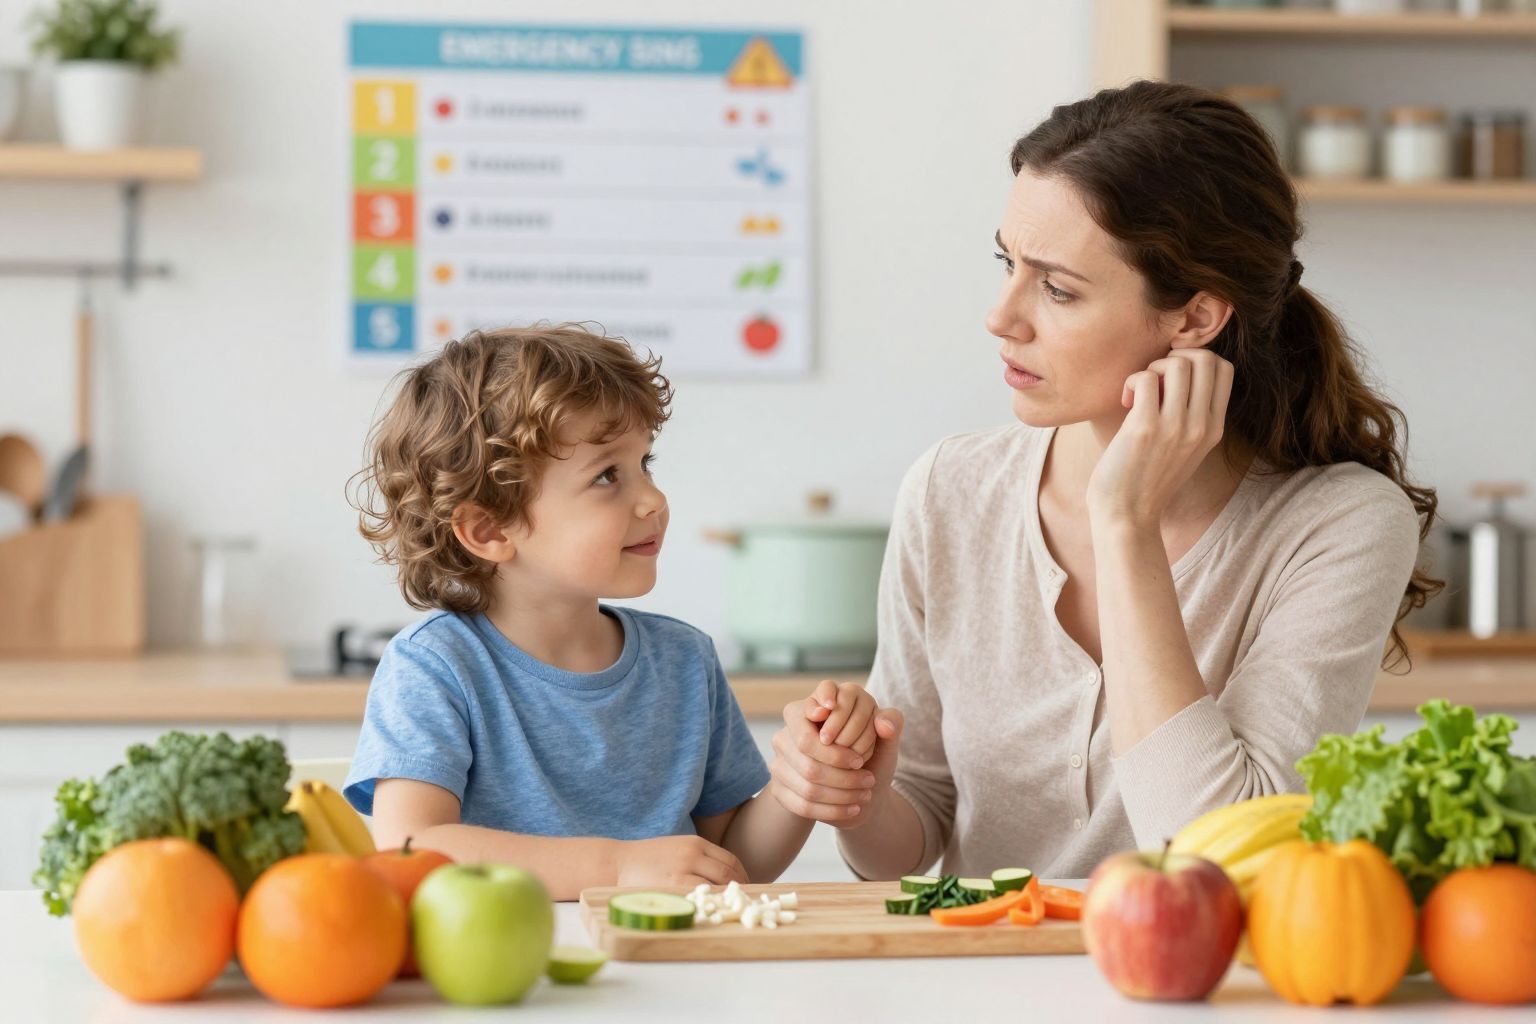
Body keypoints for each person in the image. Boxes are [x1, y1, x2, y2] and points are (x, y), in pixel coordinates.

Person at [768, 80, 1439, 882]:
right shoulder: (951, 490)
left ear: (1194, 318)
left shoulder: (1340, 525)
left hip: (1204, 966)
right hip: (984, 957)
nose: (1001, 317)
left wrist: (1125, 522)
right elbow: (912, 833)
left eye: (1058, 289)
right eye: (1007, 263)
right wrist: (860, 797)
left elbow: (1224, 855)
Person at [341, 325, 881, 899]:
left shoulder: (684, 660)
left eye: (645, 463)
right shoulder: (435, 666)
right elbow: (413, 847)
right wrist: (620, 867)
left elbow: (729, 862)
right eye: (607, 476)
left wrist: (800, 781)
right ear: (490, 529)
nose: (654, 499)